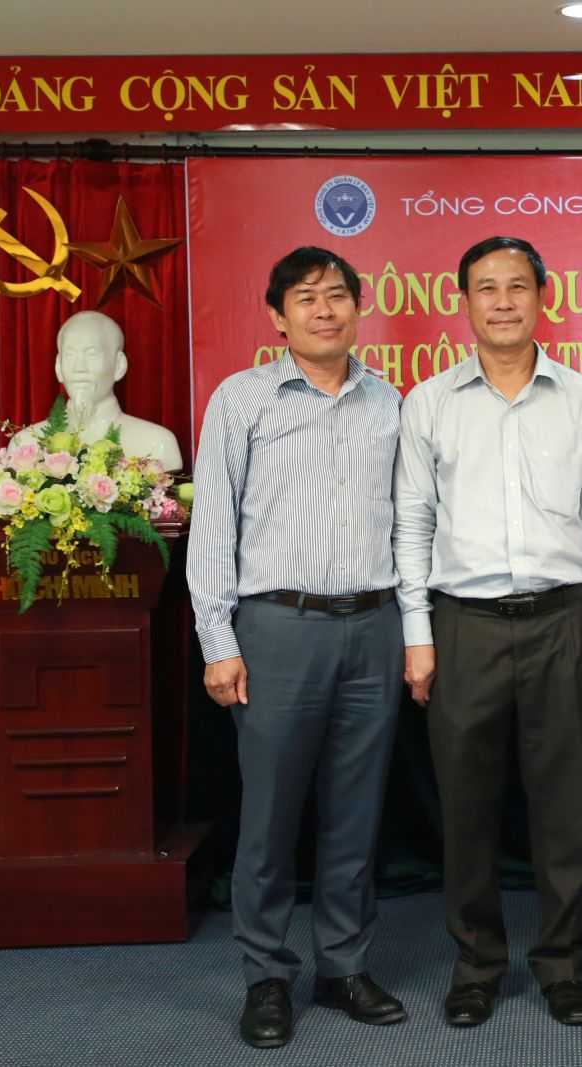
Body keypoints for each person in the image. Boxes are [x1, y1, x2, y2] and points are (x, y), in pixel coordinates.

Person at [395, 236, 582, 1029]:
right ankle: (476, 966)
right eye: (486, 287)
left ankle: (562, 966)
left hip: (562, 620)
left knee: (563, 807)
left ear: (541, 297)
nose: (502, 301)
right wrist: (417, 633)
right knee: (466, 807)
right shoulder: (429, 402)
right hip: (464, 626)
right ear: (464, 302)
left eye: (517, 286)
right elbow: (413, 523)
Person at [187, 247, 408, 1049]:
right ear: (278, 316)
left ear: (358, 307)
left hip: (374, 625)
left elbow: (409, 520)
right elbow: (214, 523)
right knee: (271, 813)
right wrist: (218, 638)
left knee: (356, 810)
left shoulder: (390, 401)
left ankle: (343, 965)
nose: (324, 309)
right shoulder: (242, 399)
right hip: (277, 628)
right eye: (306, 298)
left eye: (337, 295)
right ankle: (267, 975)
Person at [30, 309, 183, 469]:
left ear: (119, 366)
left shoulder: (156, 444)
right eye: (70, 355)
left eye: (91, 354)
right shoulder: (26, 447)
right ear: (58, 367)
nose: (79, 368)